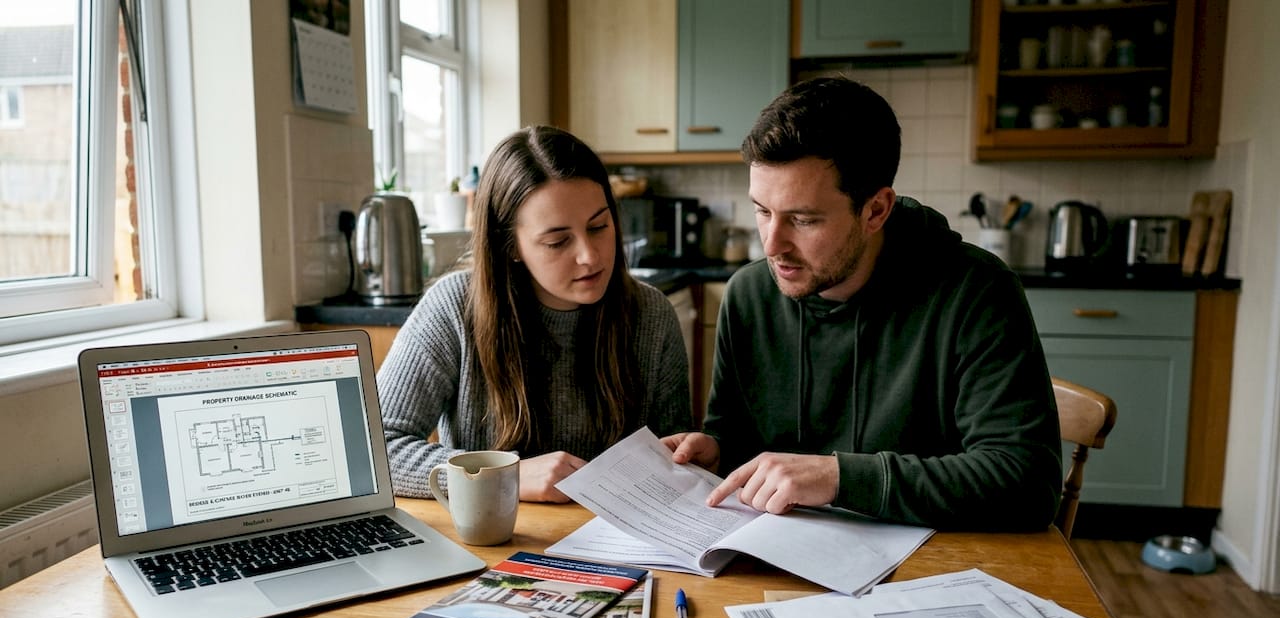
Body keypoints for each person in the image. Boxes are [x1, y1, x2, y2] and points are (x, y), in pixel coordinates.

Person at [663, 77, 1062, 531]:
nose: (772, 244)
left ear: (875, 211)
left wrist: (840, 476)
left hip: (926, 572)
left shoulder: (977, 292)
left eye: (804, 219)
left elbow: (1028, 484)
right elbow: (734, 437)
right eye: (762, 210)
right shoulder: (748, 295)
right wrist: (716, 451)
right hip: (780, 561)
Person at [378, 125, 692, 502]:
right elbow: (376, 450)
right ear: (510, 245)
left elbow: (674, 462)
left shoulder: (652, 314)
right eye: (558, 241)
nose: (589, 256)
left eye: (599, 227)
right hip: (493, 544)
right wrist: (502, 475)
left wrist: (691, 456)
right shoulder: (452, 308)